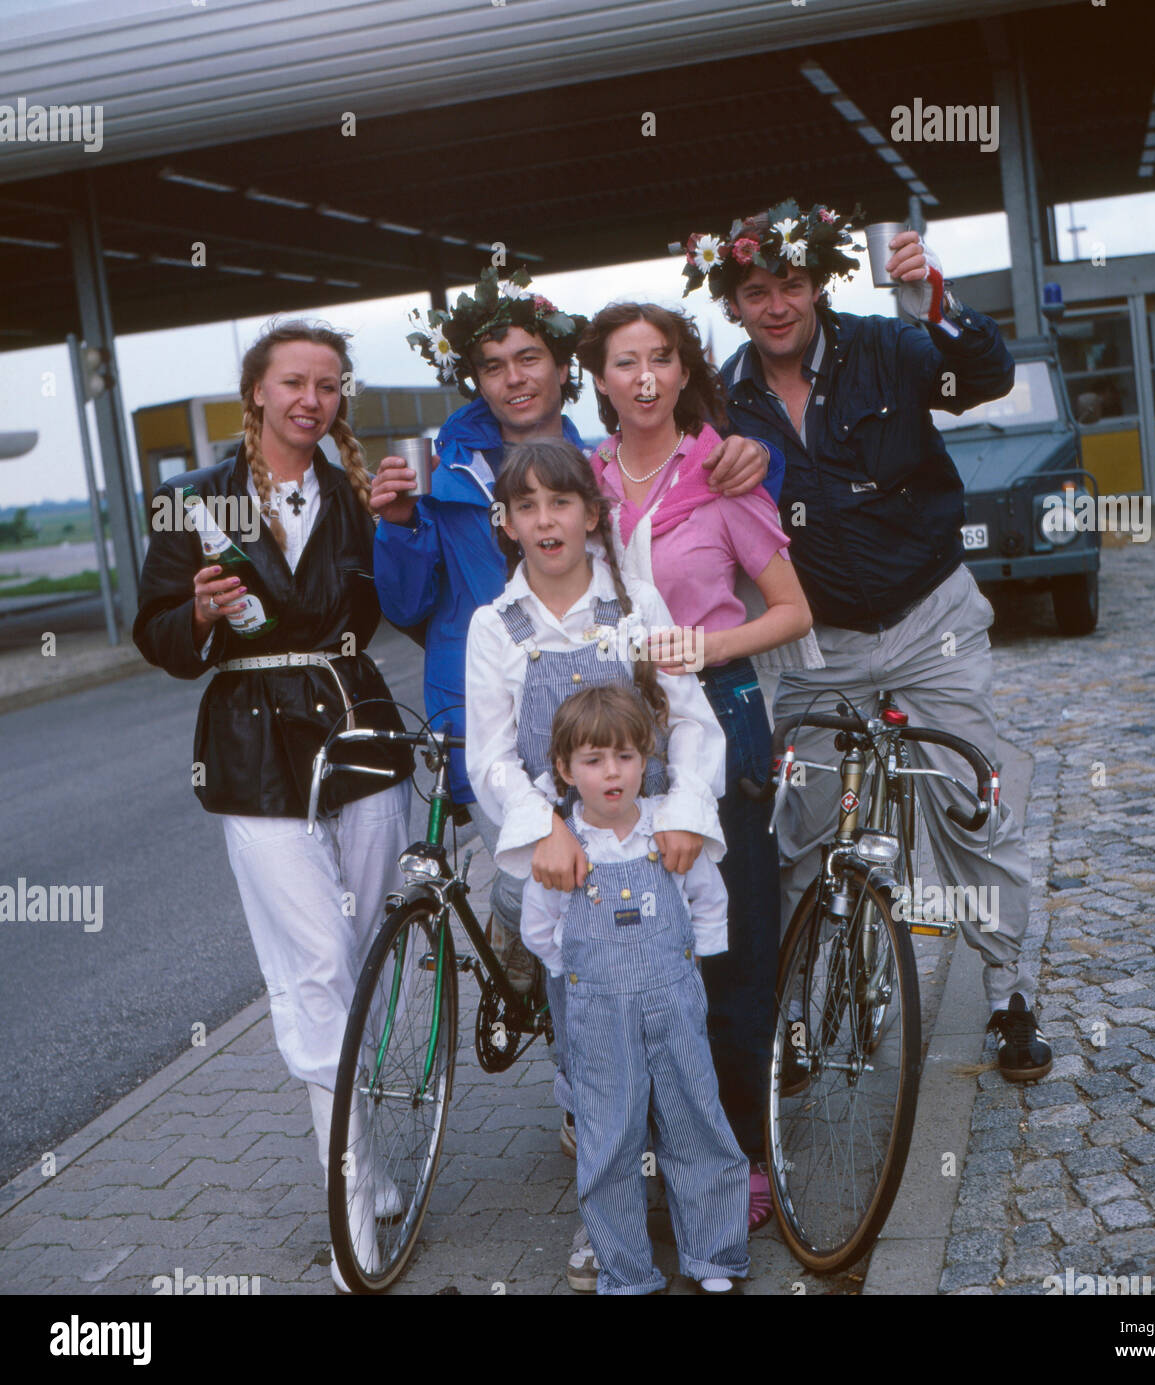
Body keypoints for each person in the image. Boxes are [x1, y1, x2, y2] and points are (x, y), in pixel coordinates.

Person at [675, 200, 1052, 1081]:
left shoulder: (889, 345)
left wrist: (933, 301)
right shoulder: (723, 404)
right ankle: (797, 1014)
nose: (776, 305)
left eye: (792, 285)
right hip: (816, 642)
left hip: (930, 620)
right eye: (756, 290)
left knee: (970, 803)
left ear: (818, 285)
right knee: (802, 827)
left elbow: (984, 376)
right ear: (732, 301)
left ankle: (1008, 997)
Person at [371, 269, 777, 1014]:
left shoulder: (601, 467)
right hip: (488, 716)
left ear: (564, 370)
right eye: (492, 365)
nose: (514, 378)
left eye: (529, 358)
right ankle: (571, 1050)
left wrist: (747, 450)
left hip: (613, 734)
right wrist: (396, 527)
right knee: (544, 890)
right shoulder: (443, 470)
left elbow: (678, 463)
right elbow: (406, 603)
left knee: (614, 915)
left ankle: (603, 1075)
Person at [133, 320, 417, 1292]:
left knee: (366, 952)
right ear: (254, 391)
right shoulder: (192, 502)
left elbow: (375, 613)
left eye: (329, 384)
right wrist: (204, 612)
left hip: (359, 733)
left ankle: (370, 1155)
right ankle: (350, 1205)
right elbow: (159, 636)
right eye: (293, 381)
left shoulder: (351, 490)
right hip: (252, 751)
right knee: (313, 968)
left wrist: (396, 529)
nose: (312, 398)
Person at [464, 436, 728, 1289]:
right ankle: (604, 1224)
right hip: (565, 858)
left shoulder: (635, 603)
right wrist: (545, 826)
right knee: (588, 1060)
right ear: (506, 524)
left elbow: (688, 717)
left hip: (652, 845)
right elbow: (492, 757)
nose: (547, 521)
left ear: (591, 512)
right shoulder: (494, 627)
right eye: (527, 506)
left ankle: (706, 1232)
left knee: (680, 1053)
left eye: (562, 502)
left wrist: (686, 811)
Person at [575, 301, 813, 1230]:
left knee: (733, 943)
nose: (643, 377)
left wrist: (707, 648)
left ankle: (743, 1148)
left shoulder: (721, 473)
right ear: (598, 377)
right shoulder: (582, 483)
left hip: (720, 715)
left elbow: (792, 609)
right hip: (616, 735)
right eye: (624, 361)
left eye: (661, 360)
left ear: (682, 373)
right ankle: (647, 1147)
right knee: (632, 946)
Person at [521, 683, 749, 1295]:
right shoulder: (564, 850)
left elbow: (708, 902)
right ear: (566, 771)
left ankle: (714, 1255)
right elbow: (539, 930)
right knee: (609, 1139)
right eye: (593, 761)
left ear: (646, 760)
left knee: (696, 1123)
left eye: (625, 757)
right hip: (597, 1015)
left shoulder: (667, 831)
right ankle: (624, 1270)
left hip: (673, 1000)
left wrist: (688, 971)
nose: (612, 773)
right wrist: (580, 979)